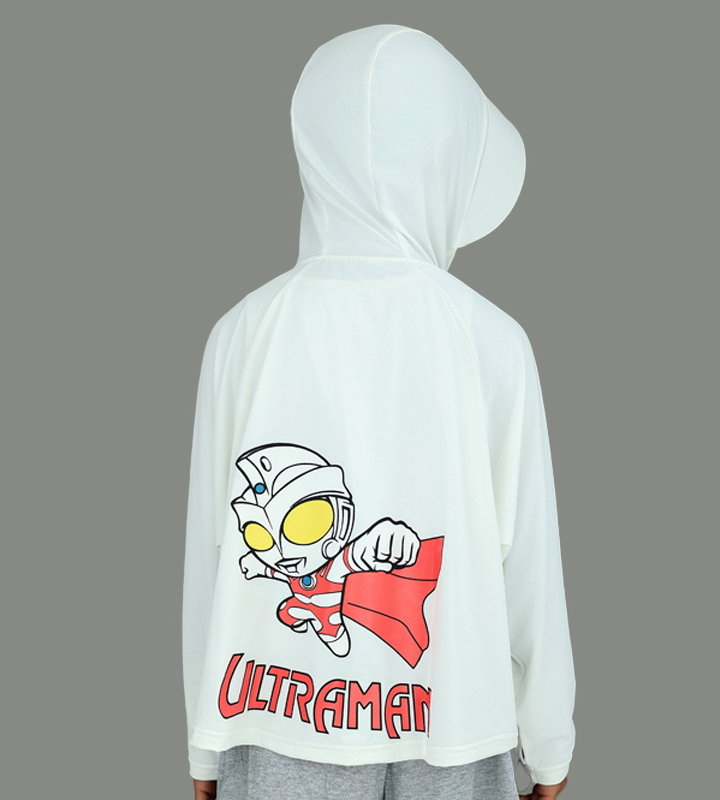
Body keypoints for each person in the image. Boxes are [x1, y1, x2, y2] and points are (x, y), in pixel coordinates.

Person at [182, 24, 575, 800]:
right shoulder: (491, 339)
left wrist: (204, 743)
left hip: (275, 713)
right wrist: (549, 740)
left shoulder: (241, 335)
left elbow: (212, 553)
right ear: (444, 159)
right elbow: (529, 562)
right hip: (455, 717)